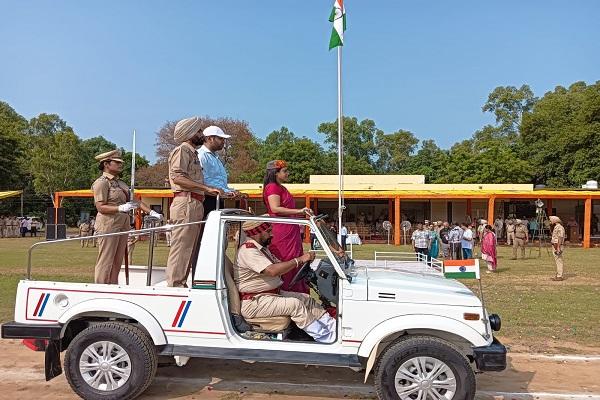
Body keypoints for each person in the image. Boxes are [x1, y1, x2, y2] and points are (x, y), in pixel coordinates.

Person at [235, 219, 336, 343]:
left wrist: (302, 262)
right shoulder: (248, 251)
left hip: (267, 295)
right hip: (254, 302)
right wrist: (299, 260)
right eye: (268, 231)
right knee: (295, 305)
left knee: (305, 298)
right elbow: (272, 271)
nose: (272, 234)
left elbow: (280, 266)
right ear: (258, 233)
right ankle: (326, 339)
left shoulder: (262, 249)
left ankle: (333, 328)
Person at [166, 117, 222, 287]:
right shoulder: (182, 150)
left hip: (194, 202)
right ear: (190, 133)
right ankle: (175, 285)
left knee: (189, 248)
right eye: (198, 131)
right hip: (186, 202)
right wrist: (205, 188)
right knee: (182, 247)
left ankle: (181, 282)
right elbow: (178, 177)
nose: (201, 134)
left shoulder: (192, 153)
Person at [92, 149, 161, 284]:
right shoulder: (101, 183)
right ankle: (101, 288)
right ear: (106, 164)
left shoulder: (121, 183)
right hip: (108, 224)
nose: (120, 165)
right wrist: (120, 208)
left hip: (122, 224)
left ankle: (113, 285)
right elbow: (100, 207)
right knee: (106, 260)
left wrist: (151, 212)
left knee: (117, 261)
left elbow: (136, 201)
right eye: (116, 162)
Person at [262, 159, 312, 293]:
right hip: (282, 231)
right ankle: (288, 292)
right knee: (287, 260)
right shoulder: (272, 187)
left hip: (290, 230)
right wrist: (299, 211)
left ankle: (298, 293)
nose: (287, 173)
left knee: (295, 258)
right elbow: (275, 208)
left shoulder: (281, 187)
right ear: (275, 173)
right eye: (285, 171)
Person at [198, 125, 244, 216]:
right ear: (210, 138)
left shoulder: (216, 158)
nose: (223, 141)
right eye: (220, 138)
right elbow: (200, 181)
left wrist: (230, 191)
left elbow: (218, 183)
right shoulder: (201, 155)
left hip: (218, 199)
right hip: (207, 199)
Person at [550, 216, 566, 281]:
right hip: (555, 245)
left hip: (557, 245)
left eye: (551, 220)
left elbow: (560, 237)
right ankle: (558, 274)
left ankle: (560, 276)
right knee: (557, 260)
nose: (550, 221)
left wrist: (558, 247)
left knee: (559, 260)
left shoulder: (560, 227)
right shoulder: (556, 227)